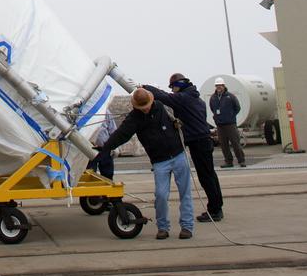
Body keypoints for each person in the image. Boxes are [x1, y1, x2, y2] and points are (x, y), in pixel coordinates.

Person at [101, 87, 194, 239]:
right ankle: (163, 227)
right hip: (159, 161)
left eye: (146, 107)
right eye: (141, 108)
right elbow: (121, 135)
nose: (145, 110)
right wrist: (105, 148)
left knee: (186, 193)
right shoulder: (134, 118)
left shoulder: (161, 107)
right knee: (161, 195)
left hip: (179, 155)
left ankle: (187, 227)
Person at [145, 74, 224, 223]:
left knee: (206, 177)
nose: (173, 91)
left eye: (173, 87)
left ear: (179, 85)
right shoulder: (197, 99)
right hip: (203, 141)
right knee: (210, 175)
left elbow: (165, 97)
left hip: (199, 142)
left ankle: (215, 210)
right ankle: (217, 206)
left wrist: (144, 88)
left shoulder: (184, 99)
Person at [209, 78, 246, 168]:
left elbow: (237, 107)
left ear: (224, 86)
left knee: (235, 143)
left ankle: (241, 161)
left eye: (220, 85)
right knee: (224, 145)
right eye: (217, 85)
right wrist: (216, 117)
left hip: (230, 124)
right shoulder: (213, 98)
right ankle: (228, 162)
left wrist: (231, 116)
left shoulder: (230, 96)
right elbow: (212, 108)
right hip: (220, 125)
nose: (219, 87)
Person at [89, 107, 117, 181]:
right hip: (89, 148)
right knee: (90, 174)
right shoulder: (85, 111)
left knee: (107, 174)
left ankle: (107, 191)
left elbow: (113, 130)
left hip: (104, 148)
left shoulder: (105, 111)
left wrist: (115, 146)